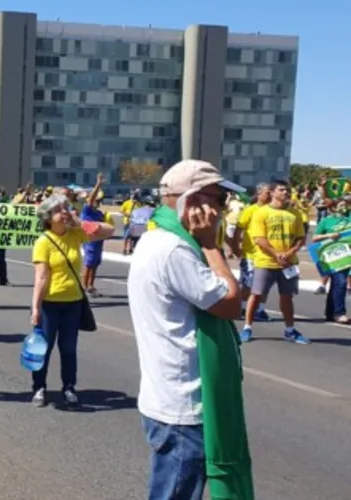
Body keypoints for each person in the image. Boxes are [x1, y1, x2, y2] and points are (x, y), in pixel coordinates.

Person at [127, 159, 251, 500]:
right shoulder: (176, 249)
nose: (222, 208)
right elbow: (230, 302)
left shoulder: (157, 239)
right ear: (193, 201)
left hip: (171, 397)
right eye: (219, 199)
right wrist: (211, 244)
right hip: (182, 405)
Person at [30, 194, 114, 408]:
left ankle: (69, 388)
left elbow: (109, 231)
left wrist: (80, 222)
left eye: (65, 208)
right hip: (50, 304)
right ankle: (39, 387)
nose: (64, 212)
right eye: (59, 210)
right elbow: (41, 278)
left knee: (68, 349)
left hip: (73, 303)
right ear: (48, 216)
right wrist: (35, 308)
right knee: (44, 349)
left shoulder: (75, 234)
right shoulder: (43, 242)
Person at [241, 180, 309, 344]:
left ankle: (290, 330)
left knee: (287, 296)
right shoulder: (261, 213)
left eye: (287, 190)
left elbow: (300, 238)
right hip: (265, 262)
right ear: (272, 192)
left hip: (288, 264)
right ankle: (247, 327)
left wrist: (289, 253)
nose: (286, 192)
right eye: (281, 190)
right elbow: (259, 239)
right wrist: (276, 254)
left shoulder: (295, 213)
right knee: (256, 294)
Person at [232, 184, 271, 322]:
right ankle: (242, 308)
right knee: (248, 284)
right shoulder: (250, 210)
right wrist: (235, 248)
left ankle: (260, 310)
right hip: (250, 254)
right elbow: (238, 230)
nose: (270, 195)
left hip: (267, 255)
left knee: (264, 284)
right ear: (259, 194)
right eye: (267, 192)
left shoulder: (272, 210)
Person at [312, 196, 351, 323]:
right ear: (334, 207)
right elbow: (315, 238)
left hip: (348, 255)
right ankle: (339, 313)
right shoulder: (327, 221)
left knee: (336, 284)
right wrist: (330, 235)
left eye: (346, 205)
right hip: (334, 256)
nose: (344, 207)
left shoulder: (349, 217)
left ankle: (330, 313)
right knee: (341, 282)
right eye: (341, 205)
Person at [80, 173, 106, 297]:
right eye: (96, 200)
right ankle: (84, 287)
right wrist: (98, 183)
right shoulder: (87, 210)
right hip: (89, 240)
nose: (97, 202)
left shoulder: (99, 213)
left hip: (98, 241)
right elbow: (91, 198)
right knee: (89, 264)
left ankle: (91, 286)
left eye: (99, 200)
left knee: (95, 264)